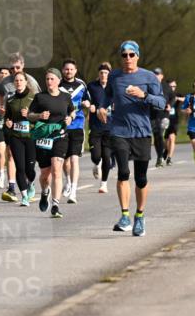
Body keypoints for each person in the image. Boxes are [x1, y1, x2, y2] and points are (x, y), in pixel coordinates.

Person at [97, 40, 165, 236]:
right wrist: (101, 108)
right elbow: (107, 97)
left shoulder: (149, 77)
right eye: (124, 55)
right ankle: (125, 216)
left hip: (142, 132)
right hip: (119, 131)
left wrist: (144, 95)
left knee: (141, 178)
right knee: (123, 172)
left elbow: (161, 102)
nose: (128, 58)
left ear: (137, 56)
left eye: (131, 54)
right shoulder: (114, 76)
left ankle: (140, 216)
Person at [0, 53, 40, 201]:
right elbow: (1, 97)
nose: (14, 70)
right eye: (12, 68)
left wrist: (31, 114)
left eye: (17, 67)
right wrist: (1, 108)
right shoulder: (4, 82)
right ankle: (12, 188)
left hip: (30, 131)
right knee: (11, 156)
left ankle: (30, 183)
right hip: (13, 128)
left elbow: (39, 103)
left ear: (23, 66)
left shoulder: (31, 81)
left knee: (29, 165)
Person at [31, 68, 74, 218]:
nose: (49, 82)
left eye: (52, 79)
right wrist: (39, 115)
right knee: (45, 175)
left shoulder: (65, 97)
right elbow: (29, 115)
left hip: (60, 136)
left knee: (56, 170)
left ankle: (55, 205)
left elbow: (72, 111)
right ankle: (45, 192)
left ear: (58, 80)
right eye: (47, 79)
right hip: (43, 138)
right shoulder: (40, 97)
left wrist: (70, 118)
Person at [3, 72, 38, 207]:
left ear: (26, 82)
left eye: (21, 80)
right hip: (16, 136)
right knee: (20, 167)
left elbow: (40, 117)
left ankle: (31, 183)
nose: (18, 82)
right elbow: (7, 117)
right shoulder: (10, 99)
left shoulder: (34, 97)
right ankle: (24, 196)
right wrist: (8, 122)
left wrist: (29, 115)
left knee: (30, 169)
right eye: (16, 80)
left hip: (30, 136)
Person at [59, 59, 89, 203]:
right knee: (65, 161)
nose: (69, 71)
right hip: (62, 126)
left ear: (75, 71)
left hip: (77, 124)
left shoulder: (81, 85)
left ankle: (73, 192)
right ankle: (68, 181)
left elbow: (88, 100)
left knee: (74, 158)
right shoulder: (58, 85)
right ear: (62, 70)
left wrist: (87, 104)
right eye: (66, 69)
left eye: (71, 69)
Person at [86, 63, 114, 193]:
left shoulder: (113, 87)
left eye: (106, 73)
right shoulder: (92, 86)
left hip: (110, 127)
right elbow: (86, 100)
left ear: (109, 74)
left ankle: (104, 184)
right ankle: (97, 164)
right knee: (96, 156)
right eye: (101, 73)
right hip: (95, 126)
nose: (103, 75)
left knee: (107, 157)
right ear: (98, 74)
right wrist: (89, 105)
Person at [149, 67, 169, 168]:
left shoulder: (165, 87)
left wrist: (170, 104)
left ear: (162, 76)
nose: (155, 76)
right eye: (154, 74)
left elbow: (172, 96)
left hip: (163, 116)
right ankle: (160, 155)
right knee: (155, 137)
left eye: (157, 74)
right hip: (152, 115)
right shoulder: (149, 86)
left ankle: (161, 156)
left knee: (160, 136)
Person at [163, 78, 181, 167]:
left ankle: (169, 158)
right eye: (171, 86)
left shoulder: (177, 94)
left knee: (172, 138)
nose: (173, 88)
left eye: (174, 86)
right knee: (165, 140)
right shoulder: (164, 95)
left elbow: (186, 99)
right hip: (165, 119)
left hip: (174, 120)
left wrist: (177, 98)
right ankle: (166, 150)